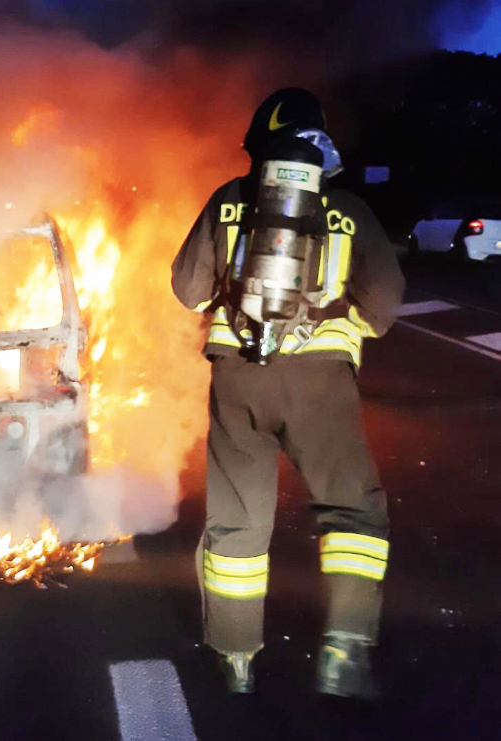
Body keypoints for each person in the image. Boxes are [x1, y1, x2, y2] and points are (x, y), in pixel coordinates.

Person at [171, 88, 405, 697]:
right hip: (320, 386)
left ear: (258, 144)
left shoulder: (229, 201)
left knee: (239, 520)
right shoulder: (348, 211)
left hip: (240, 379)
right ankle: (344, 653)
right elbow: (382, 310)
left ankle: (235, 656)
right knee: (352, 510)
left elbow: (187, 291)